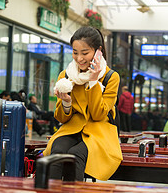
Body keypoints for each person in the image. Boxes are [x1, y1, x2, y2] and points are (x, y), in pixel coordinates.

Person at [42, 26, 122, 181]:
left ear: (98, 51)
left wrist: (93, 81)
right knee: (57, 151)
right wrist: (66, 103)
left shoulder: (111, 77)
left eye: (85, 53)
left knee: (75, 155)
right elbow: (61, 118)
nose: (79, 58)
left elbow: (98, 115)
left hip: (98, 132)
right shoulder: (65, 76)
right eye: (75, 52)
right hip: (71, 129)